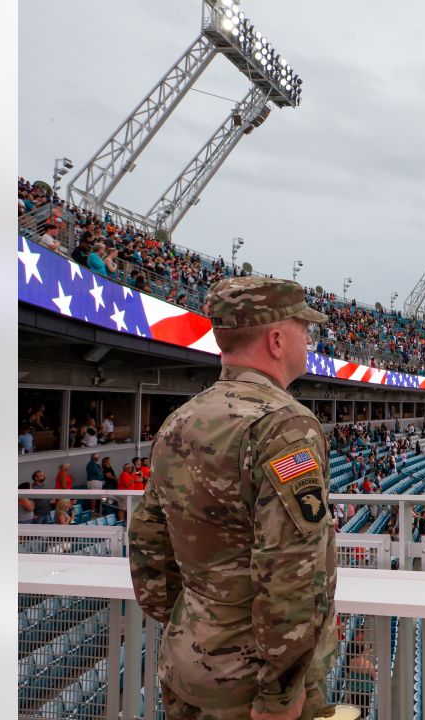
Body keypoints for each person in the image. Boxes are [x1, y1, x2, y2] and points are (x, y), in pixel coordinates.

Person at [129, 276, 335, 720]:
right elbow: (292, 567)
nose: (310, 339)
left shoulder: (179, 420)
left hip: (188, 663)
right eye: (305, 329)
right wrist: (281, 693)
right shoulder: (284, 426)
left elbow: (147, 540)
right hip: (252, 687)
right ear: (277, 339)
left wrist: (194, 622)